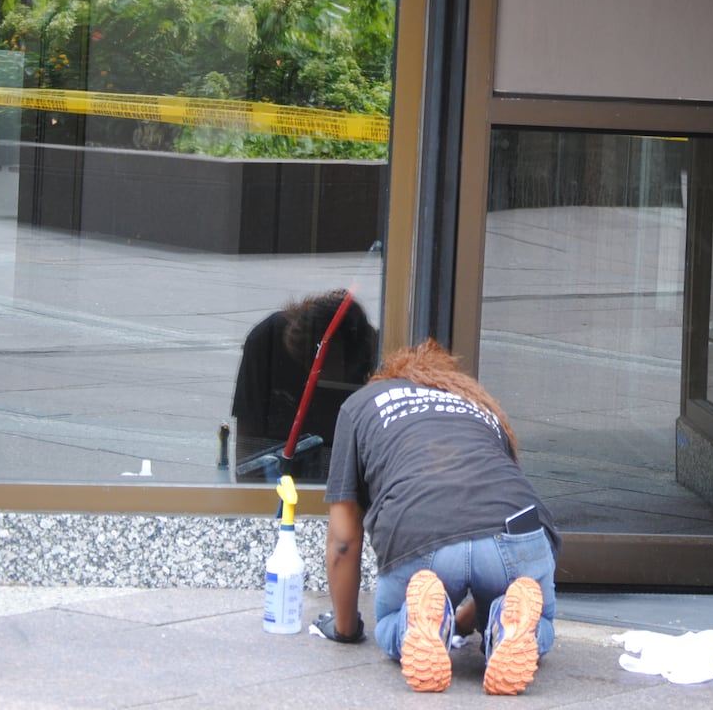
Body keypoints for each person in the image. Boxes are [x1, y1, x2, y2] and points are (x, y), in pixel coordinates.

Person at [311, 338, 560, 697]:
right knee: (535, 619)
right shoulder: (481, 406)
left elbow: (344, 540)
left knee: (391, 622)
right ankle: (505, 628)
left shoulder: (362, 404)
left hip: (421, 533)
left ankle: (417, 623)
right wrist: (468, 619)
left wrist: (345, 629)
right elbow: (483, 525)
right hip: (517, 530)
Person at [230, 290, 377, 482]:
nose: (324, 377)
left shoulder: (370, 353)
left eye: (331, 363)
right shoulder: (267, 340)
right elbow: (246, 437)